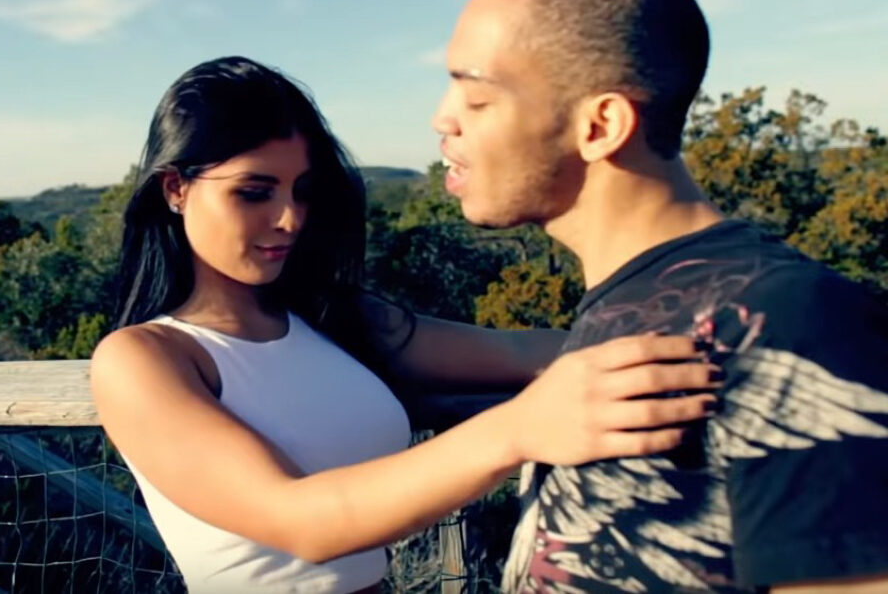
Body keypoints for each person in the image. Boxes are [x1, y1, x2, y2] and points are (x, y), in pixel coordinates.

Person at [90, 56, 719, 593]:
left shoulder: (333, 318)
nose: (289, 219)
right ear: (175, 189)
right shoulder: (143, 359)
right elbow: (303, 522)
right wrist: (522, 428)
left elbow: (526, 351)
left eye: (302, 191)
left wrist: (711, 339)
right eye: (255, 192)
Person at [430, 0, 888, 593]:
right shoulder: (634, 305)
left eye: (476, 99)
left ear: (600, 126)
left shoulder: (789, 322)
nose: (442, 119)